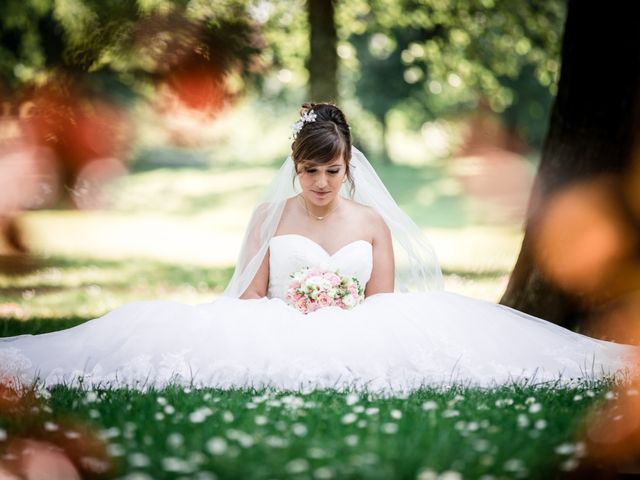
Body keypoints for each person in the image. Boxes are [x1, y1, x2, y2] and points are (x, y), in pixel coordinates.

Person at [0, 103, 637, 394]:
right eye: (311, 171)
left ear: (348, 168)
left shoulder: (370, 224)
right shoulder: (268, 216)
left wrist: (342, 303)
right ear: (295, 168)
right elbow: (248, 293)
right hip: (281, 322)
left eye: (333, 172)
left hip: (358, 325)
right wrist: (297, 302)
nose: (322, 184)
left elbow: (384, 304)